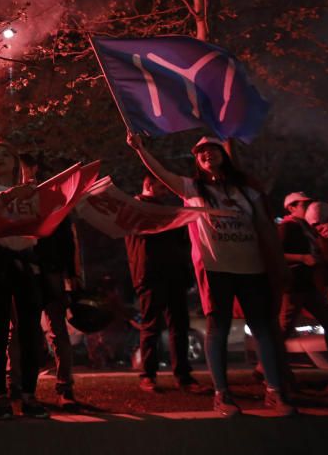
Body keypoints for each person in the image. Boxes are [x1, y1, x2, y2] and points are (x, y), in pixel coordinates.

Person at [127, 133, 295, 417]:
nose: (206, 155)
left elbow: (265, 226)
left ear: (223, 154)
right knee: (217, 329)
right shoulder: (192, 189)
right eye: (201, 152)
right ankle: (222, 395)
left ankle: (274, 392)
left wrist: (277, 264)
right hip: (217, 269)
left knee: (263, 328)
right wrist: (140, 149)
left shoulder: (246, 190)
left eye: (212, 150)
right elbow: (162, 173)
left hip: (252, 268)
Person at [0, 141, 50, 420]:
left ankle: (29, 395)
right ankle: (1, 398)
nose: (1, 159)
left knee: (30, 332)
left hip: (26, 262)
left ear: (16, 161)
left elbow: (46, 216)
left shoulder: (34, 192)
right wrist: (22, 191)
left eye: (6, 154)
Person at [124, 174, 201, 392]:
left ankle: (183, 376)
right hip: (150, 273)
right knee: (151, 326)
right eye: (162, 187)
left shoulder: (167, 211)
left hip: (173, 274)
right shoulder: (135, 208)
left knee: (180, 326)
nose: (166, 192)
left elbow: (181, 244)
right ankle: (148, 375)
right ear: (148, 185)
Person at [16, 153, 81, 408]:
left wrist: (71, 273)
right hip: (24, 270)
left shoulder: (52, 198)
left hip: (51, 270)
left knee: (58, 330)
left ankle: (65, 388)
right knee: (22, 331)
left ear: (32, 169)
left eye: (22, 168)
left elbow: (66, 237)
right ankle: (18, 387)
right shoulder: (10, 197)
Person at [277, 193, 328, 383]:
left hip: (309, 284)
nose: (308, 207)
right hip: (295, 285)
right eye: (304, 204)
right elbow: (277, 254)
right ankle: (266, 368)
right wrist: (303, 258)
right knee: (283, 329)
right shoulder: (287, 227)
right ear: (291, 207)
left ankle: (266, 368)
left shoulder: (306, 228)